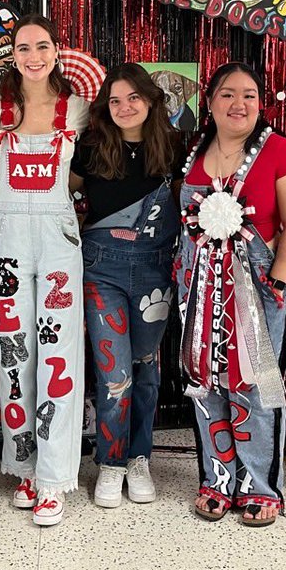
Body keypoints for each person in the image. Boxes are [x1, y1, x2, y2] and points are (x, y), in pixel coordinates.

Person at [176, 62, 286, 526]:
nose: (240, 104)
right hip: (198, 283)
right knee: (205, 378)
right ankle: (217, 477)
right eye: (228, 94)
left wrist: (277, 279)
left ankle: (260, 483)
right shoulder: (193, 150)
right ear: (210, 102)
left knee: (254, 380)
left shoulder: (279, 151)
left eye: (249, 95)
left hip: (257, 284)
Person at [0, 14, 89, 526]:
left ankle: (53, 480)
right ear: (13, 54)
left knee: (58, 356)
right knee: (13, 351)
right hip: (5, 239)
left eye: (42, 46)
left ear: (56, 50)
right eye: (23, 47)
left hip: (58, 238)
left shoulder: (79, 108)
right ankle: (24, 465)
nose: (33, 56)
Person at [69, 64, 181, 509]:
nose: (124, 107)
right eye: (114, 100)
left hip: (156, 271)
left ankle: (140, 458)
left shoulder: (174, 147)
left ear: (151, 100)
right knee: (114, 375)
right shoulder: (92, 147)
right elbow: (66, 196)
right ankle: (111, 464)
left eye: (133, 98)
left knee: (147, 371)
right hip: (102, 272)